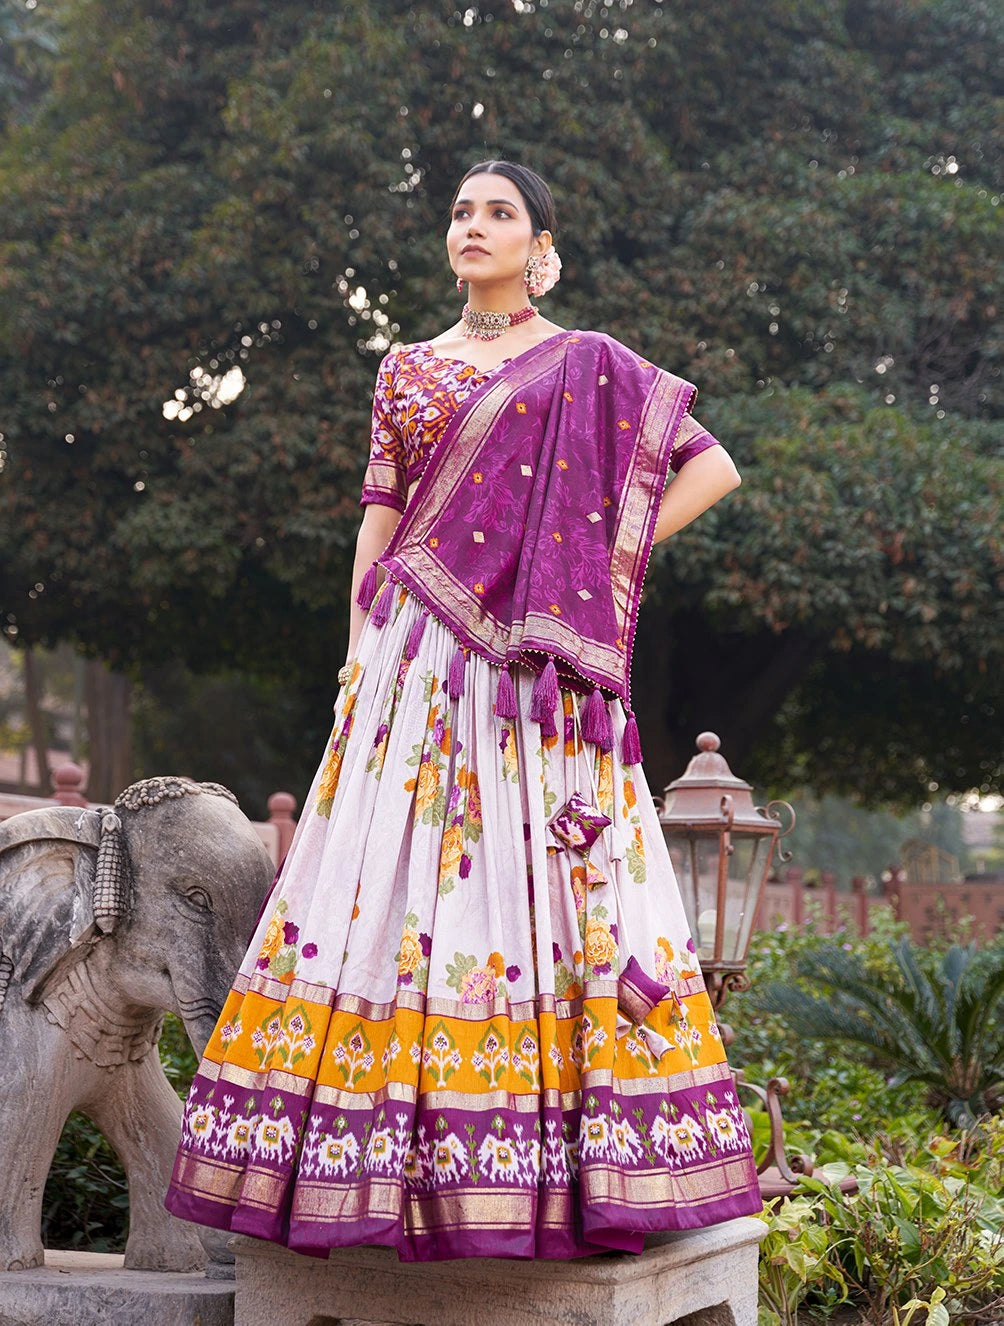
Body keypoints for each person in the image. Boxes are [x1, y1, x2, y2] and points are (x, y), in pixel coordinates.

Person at [164, 159, 763, 1262]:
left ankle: (559, 1170)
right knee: (390, 890)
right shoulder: (404, 370)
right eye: (460, 212)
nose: (473, 227)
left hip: (530, 681)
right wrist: (354, 665)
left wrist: (594, 546)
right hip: (412, 666)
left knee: (530, 889)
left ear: (540, 244)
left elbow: (711, 467)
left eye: (499, 213)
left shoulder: (585, 363)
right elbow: (379, 526)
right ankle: (378, 1167)